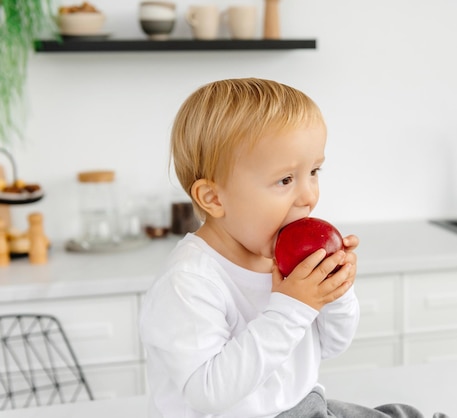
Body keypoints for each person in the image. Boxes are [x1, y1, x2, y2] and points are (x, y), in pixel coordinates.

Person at [139, 78, 424, 418]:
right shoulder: (189, 281)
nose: (309, 196)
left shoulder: (280, 255)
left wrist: (334, 291)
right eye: (286, 180)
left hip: (301, 408)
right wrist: (292, 307)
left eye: (314, 171)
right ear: (214, 198)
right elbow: (209, 393)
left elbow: (332, 345)